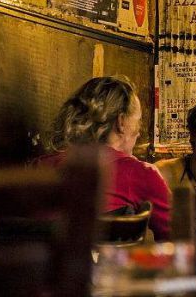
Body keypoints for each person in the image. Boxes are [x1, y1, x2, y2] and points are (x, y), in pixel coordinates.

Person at [38, 76, 171, 240]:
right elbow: (179, 237)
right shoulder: (141, 173)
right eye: (138, 121)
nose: (139, 132)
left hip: (36, 256)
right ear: (121, 122)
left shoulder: (39, 167)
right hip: (106, 257)